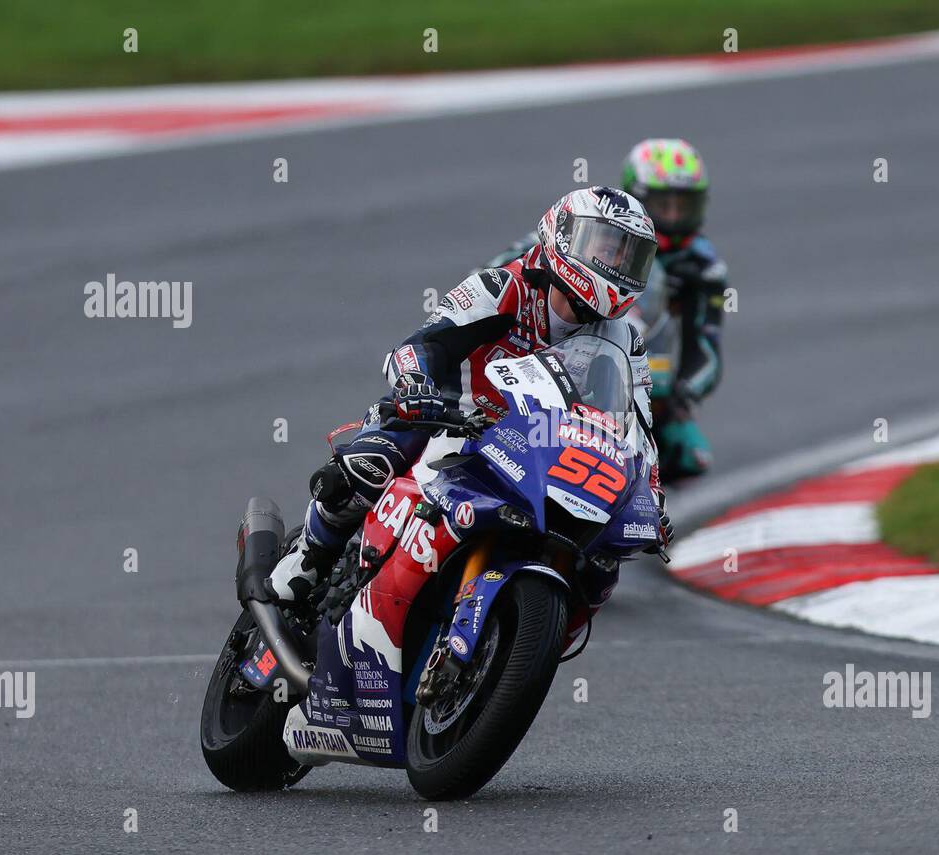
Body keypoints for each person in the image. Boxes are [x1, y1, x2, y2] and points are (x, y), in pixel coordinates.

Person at [266, 185, 674, 607]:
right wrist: (415, 385)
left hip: (541, 449)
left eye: (629, 257)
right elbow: (422, 346)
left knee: (600, 566)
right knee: (368, 465)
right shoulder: (503, 286)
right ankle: (309, 554)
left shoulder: (627, 340)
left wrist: (652, 497)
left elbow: (639, 432)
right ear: (566, 236)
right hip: (454, 420)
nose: (616, 264)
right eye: (607, 249)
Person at [620, 138, 727, 479]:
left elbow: (706, 347)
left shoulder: (703, 266)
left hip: (653, 377)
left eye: (683, 206)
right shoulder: (603, 235)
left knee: (691, 457)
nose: (673, 216)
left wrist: (686, 392)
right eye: (663, 206)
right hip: (590, 358)